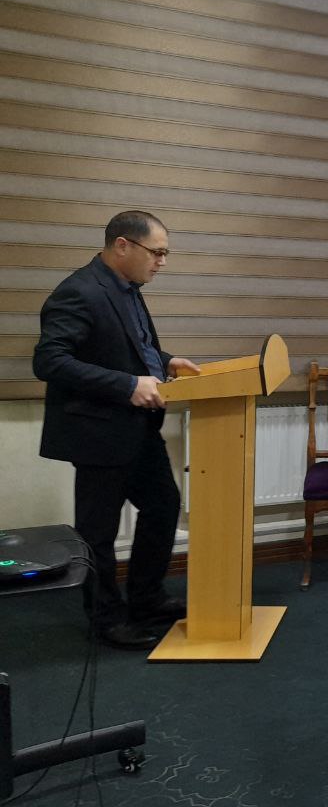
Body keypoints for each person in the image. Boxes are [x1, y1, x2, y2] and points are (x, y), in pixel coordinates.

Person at [33, 210, 200, 650]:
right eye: (157, 252)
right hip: (98, 433)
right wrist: (127, 385)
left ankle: (146, 599)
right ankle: (105, 619)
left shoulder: (128, 289)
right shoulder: (78, 291)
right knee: (99, 532)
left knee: (163, 506)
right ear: (123, 245)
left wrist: (165, 362)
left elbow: (129, 345)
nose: (162, 261)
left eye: (165, 253)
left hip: (138, 429)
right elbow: (50, 361)